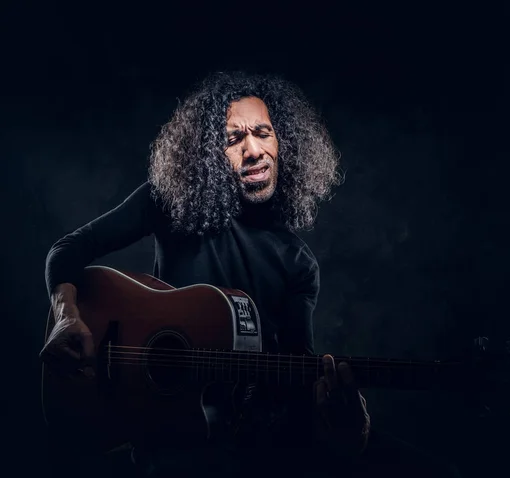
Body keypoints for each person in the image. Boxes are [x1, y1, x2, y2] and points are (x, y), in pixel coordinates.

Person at [39, 71, 371, 478]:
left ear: (283, 143)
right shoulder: (170, 204)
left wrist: (341, 428)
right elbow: (68, 250)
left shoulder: (298, 264)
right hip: (167, 443)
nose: (252, 150)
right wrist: (68, 316)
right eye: (234, 139)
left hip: (244, 448)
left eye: (263, 134)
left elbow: (296, 378)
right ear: (211, 152)